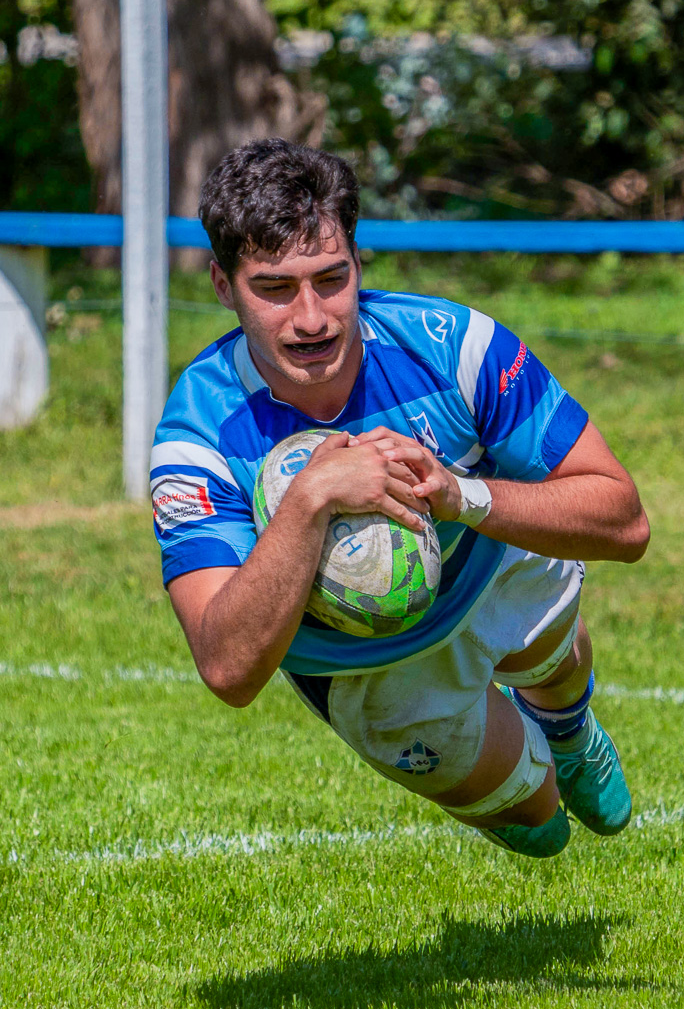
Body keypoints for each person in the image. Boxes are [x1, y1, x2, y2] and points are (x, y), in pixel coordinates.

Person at [152, 140, 650, 858]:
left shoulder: (453, 346)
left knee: (556, 654)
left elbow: (624, 521)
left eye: (332, 278)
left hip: (490, 566)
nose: (312, 318)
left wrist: (459, 493)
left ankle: (570, 731)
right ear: (223, 287)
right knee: (539, 823)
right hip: (368, 667)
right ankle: (530, 769)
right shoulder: (198, 436)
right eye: (275, 288)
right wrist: (309, 500)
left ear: (359, 263)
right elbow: (229, 671)